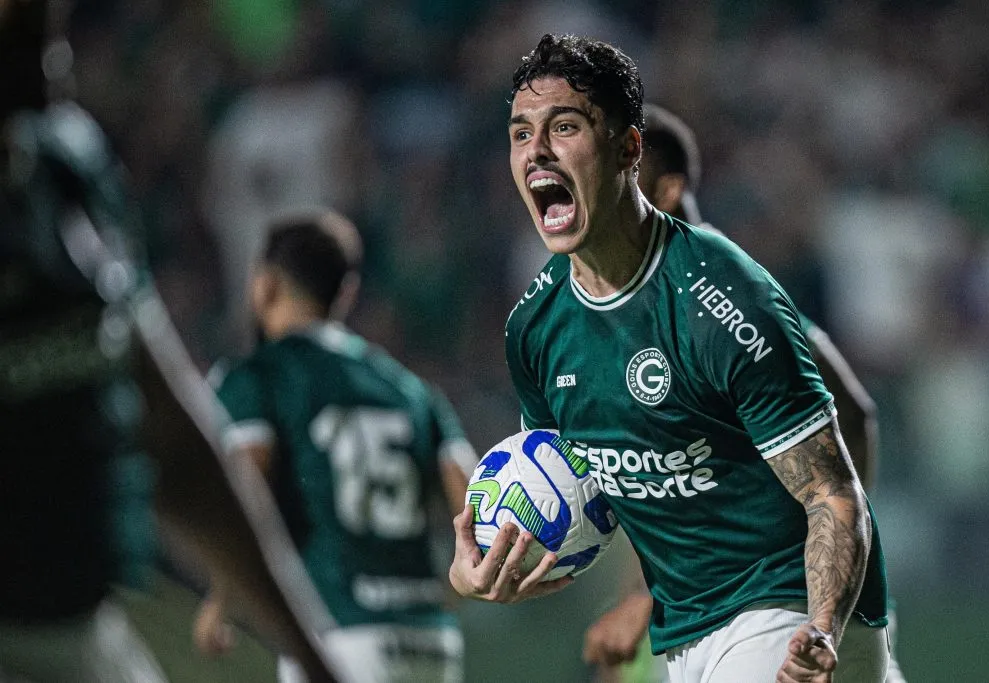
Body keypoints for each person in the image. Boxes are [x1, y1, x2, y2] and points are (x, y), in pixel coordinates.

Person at [448, 34, 891, 683]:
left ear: (629, 147)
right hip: (687, 630)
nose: (536, 150)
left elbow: (832, 488)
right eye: (520, 133)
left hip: (790, 606)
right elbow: (581, 488)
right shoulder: (535, 329)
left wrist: (821, 627)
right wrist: (480, 567)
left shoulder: (724, 300)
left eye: (564, 126)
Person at [0, 2, 345, 681]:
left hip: (74, 632)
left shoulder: (67, 166)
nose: (51, 47)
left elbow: (174, 441)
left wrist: (313, 652)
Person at [581, 104, 907, 682]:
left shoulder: (718, 291)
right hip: (725, 608)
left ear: (668, 187)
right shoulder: (636, 295)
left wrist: (834, 530)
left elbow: (853, 410)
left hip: (771, 603)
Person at [193, 212, 474, 683]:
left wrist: (222, 597)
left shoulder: (257, 377)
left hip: (338, 635)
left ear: (265, 285)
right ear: (346, 293)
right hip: (431, 642)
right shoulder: (411, 389)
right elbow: (475, 502)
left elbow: (247, 490)